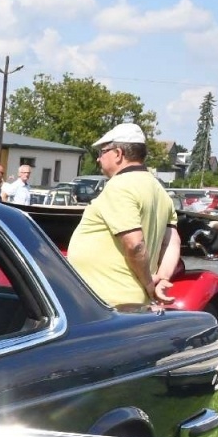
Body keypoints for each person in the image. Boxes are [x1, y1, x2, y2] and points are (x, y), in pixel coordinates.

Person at [66, 123, 178, 309]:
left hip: (106, 302)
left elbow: (134, 244)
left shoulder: (120, 186)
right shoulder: (159, 190)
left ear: (118, 154)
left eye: (102, 152)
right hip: (129, 302)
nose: (98, 159)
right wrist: (162, 279)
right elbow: (172, 242)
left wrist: (150, 284)